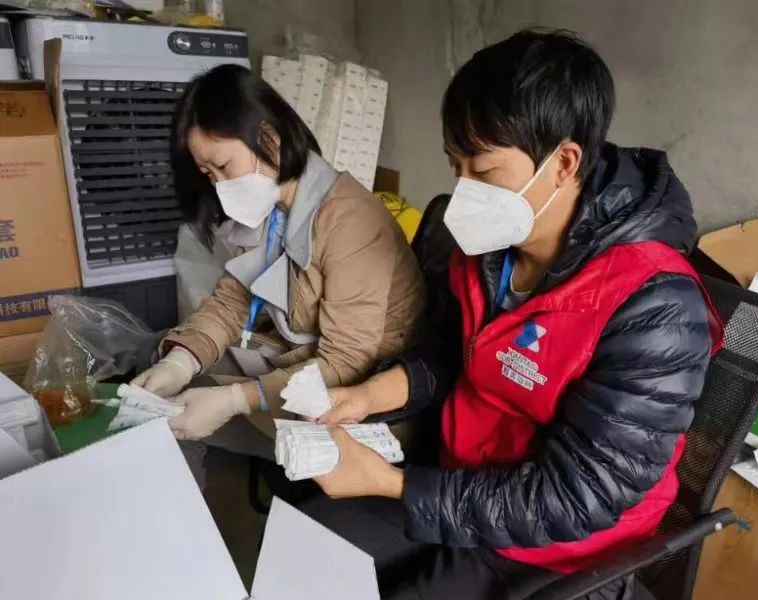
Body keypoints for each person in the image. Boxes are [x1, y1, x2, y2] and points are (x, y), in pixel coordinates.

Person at [299, 29, 723, 600]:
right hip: (458, 477)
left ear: (564, 162)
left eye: (483, 170)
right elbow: (453, 350)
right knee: (304, 554)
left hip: (553, 542)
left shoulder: (655, 306)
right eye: (454, 166)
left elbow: (578, 496)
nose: (463, 190)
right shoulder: (489, 248)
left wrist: (395, 485)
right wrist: (370, 395)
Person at [132, 64, 425, 486]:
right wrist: (182, 359)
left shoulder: (350, 220)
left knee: (187, 413)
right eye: (209, 175)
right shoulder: (272, 207)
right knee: (171, 382)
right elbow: (233, 300)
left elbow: (347, 362)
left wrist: (235, 399)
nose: (220, 187)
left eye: (224, 167)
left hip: (362, 405)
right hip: (303, 368)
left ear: (269, 139)